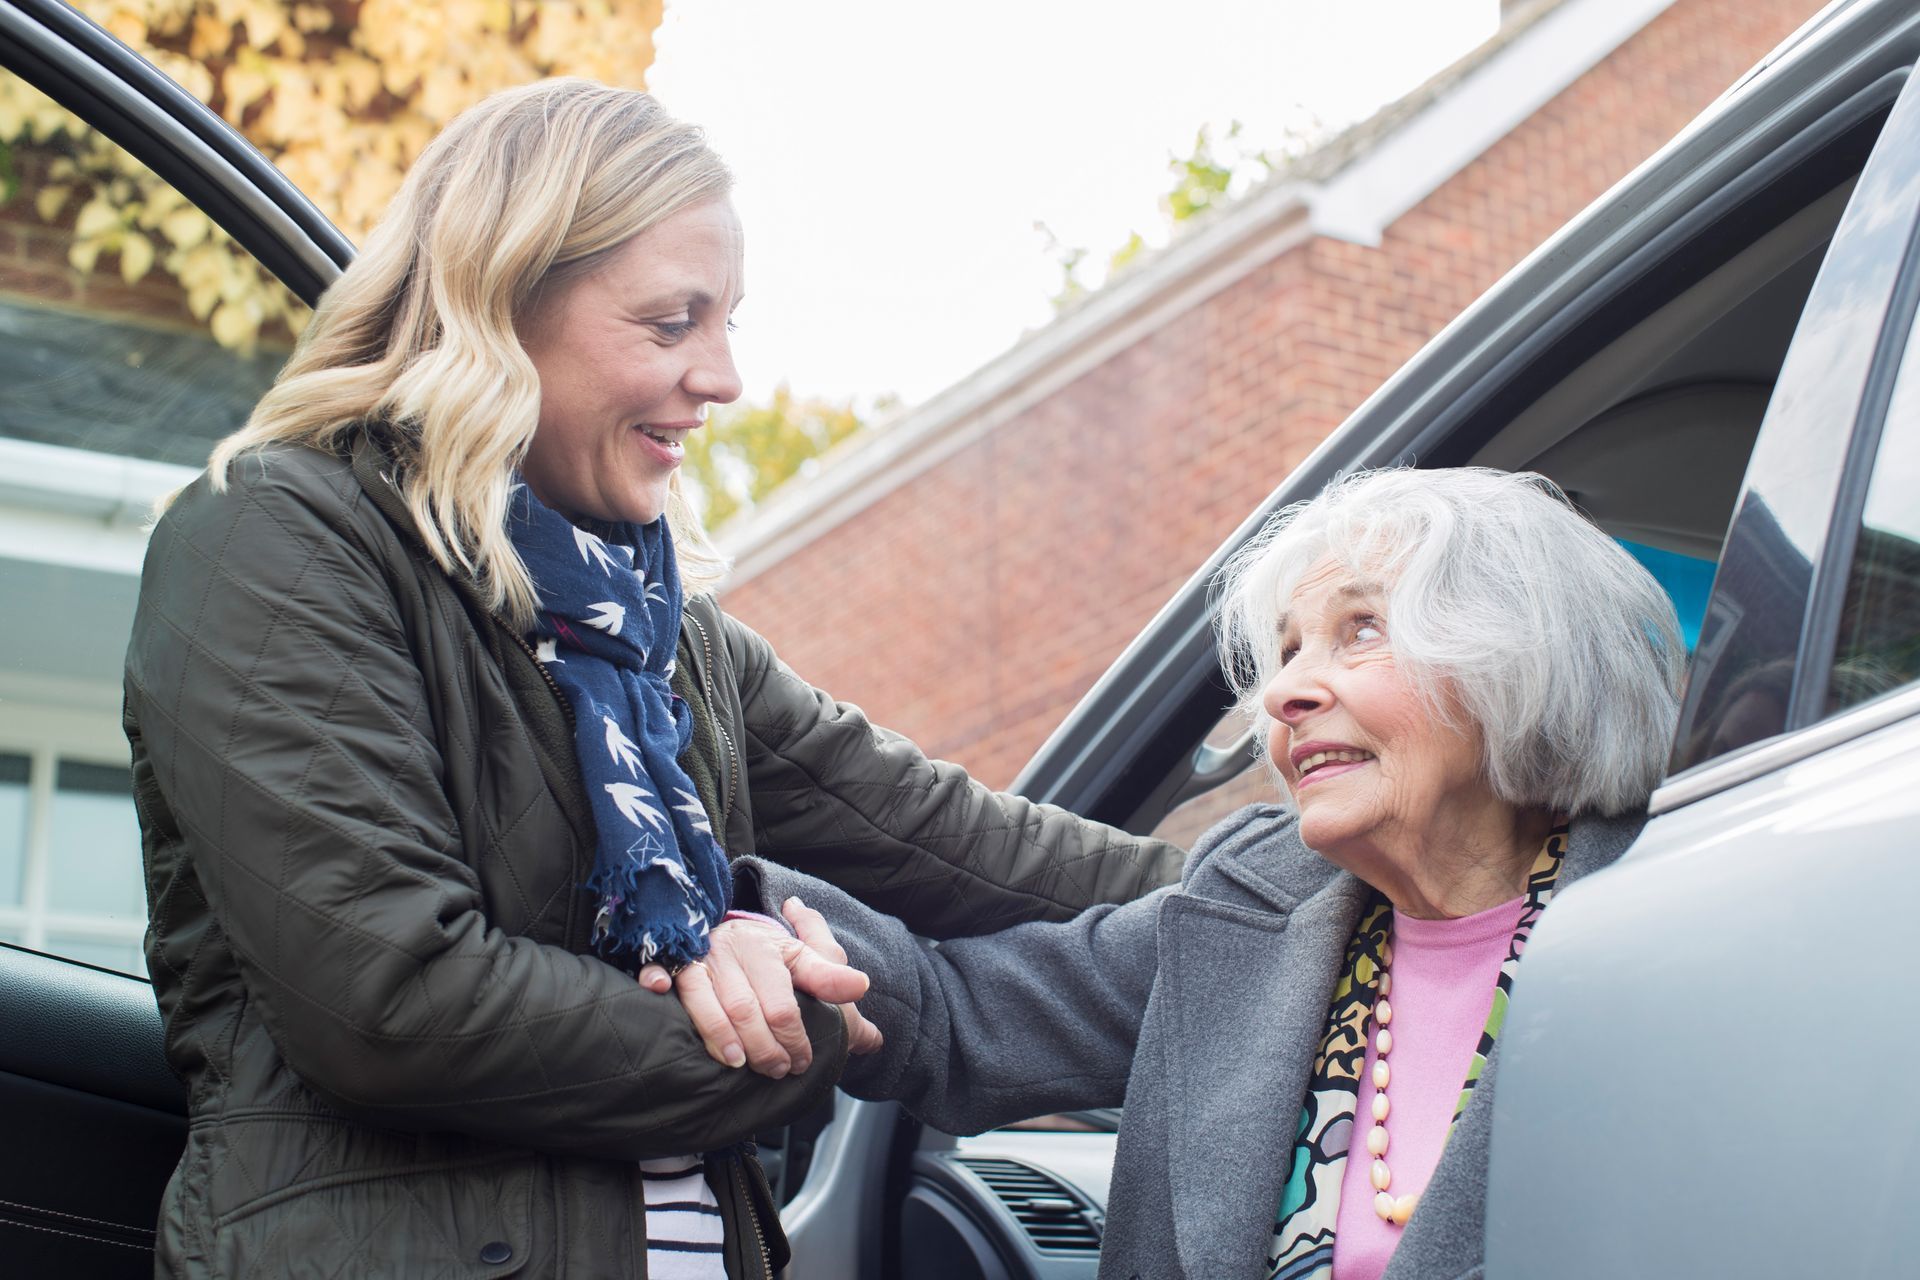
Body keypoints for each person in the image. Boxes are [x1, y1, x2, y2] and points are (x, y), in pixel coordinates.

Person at [122, 79, 1181, 1280]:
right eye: (672, 323)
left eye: (728, 320)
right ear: (502, 306)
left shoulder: (660, 633)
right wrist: (810, 1024)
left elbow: (959, 847)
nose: (724, 376)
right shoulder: (276, 539)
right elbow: (395, 1000)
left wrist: (1328, 894)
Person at [710, 467, 1686, 1280]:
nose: (1290, 689)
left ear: (1517, 661)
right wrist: (749, 927)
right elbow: (964, 1015)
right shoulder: (1253, 902)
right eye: (1289, 648)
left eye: (1361, 630)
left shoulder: (1669, 920)